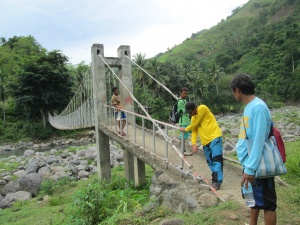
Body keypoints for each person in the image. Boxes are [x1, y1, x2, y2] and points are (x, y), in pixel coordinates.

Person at [230, 73, 277, 225]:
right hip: (250, 163)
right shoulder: (249, 107)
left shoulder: (258, 108)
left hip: (258, 165)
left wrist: (250, 168)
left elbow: (258, 140)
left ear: (237, 90)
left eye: (233, 91)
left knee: (268, 204)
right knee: (254, 199)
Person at [179, 102, 223, 190]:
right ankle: (216, 178)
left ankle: (217, 182)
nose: (190, 114)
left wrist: (186, 129)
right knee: (210, 162)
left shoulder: (202, 108)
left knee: (217, 160)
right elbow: (194, 131)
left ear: (195, 109)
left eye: (190, 112)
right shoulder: (193, 118)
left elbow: (195, 124)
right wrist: (194, 144)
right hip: (205, 142)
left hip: (215, 137)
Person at [177, 87, 192, 156]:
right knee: (183, 136)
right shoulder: (180, 101)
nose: (185, 94)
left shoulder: (183, 100)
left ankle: (182, 150)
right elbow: (184, 111)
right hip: (184, 121)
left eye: (186, 93)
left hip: (186, 120)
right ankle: (183, 151)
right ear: (180, 93)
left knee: (183, 135)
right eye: (184, 93)